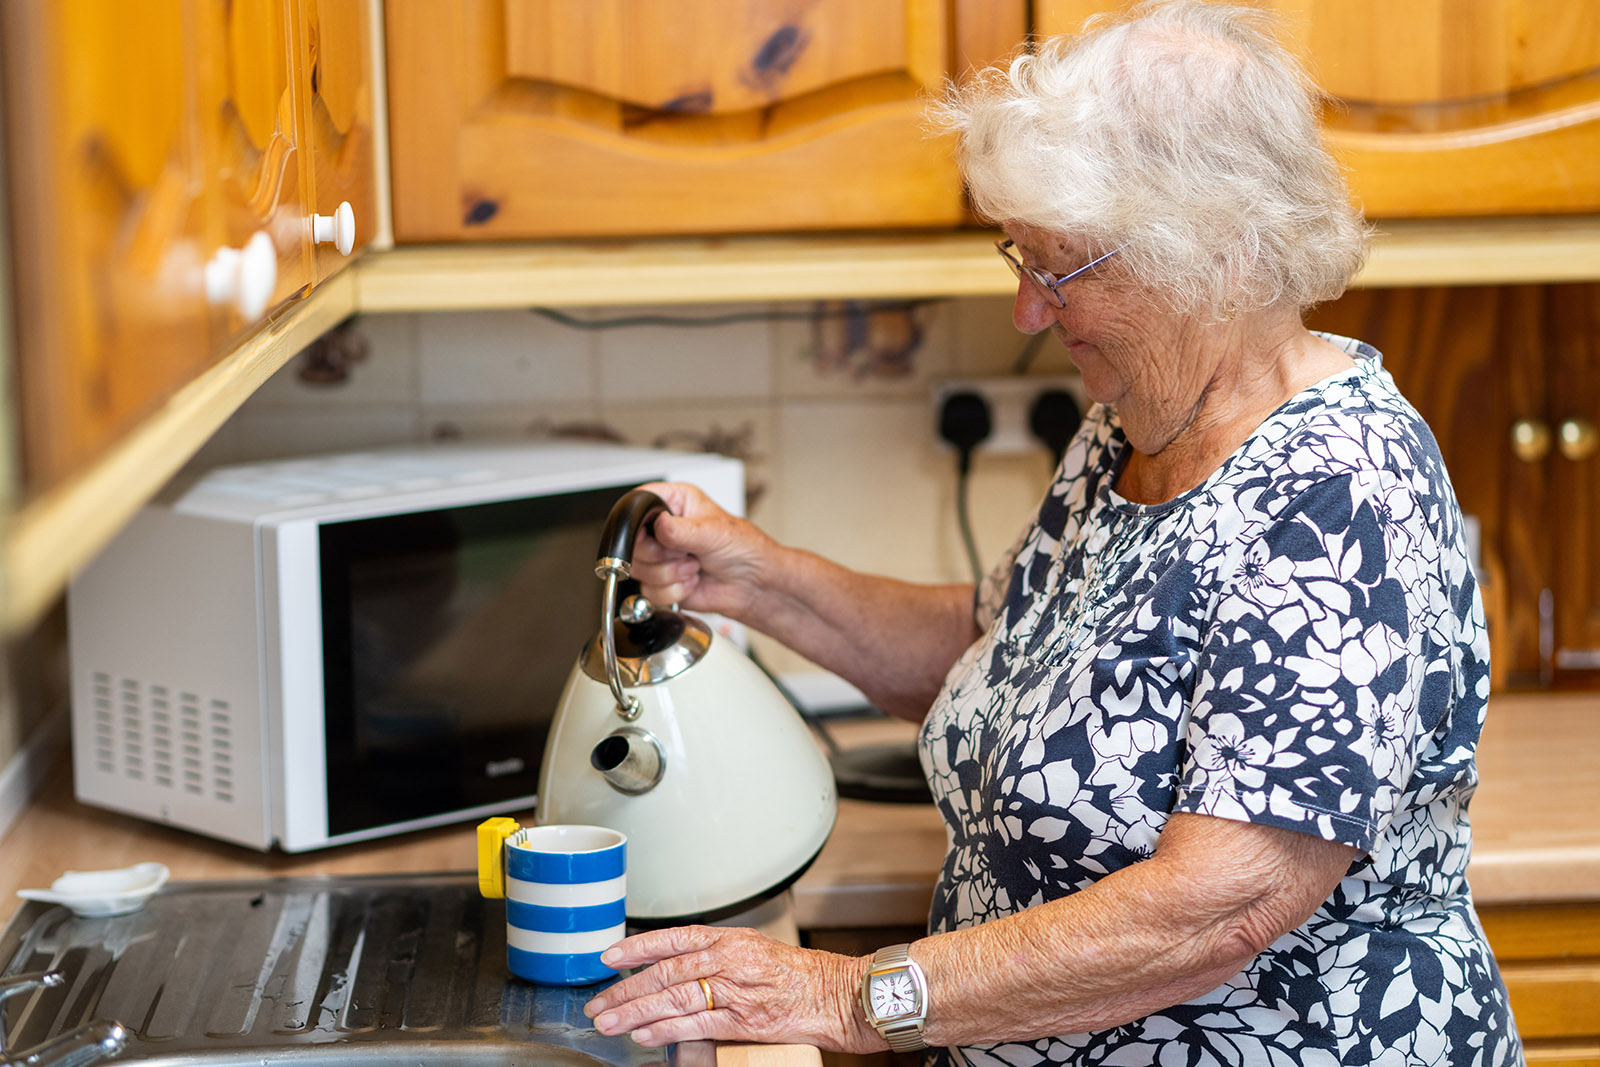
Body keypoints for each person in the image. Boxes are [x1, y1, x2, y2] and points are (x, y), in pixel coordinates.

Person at [581, 3, 1522, 1064]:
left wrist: (852, 998)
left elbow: (1216, 909)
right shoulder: (1128, 430)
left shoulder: (1337, 497)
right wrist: (756, 581)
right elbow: (1001, 655)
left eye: (1063, 268)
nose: (1029, 310)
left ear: (1211, 257)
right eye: (1018, 255)